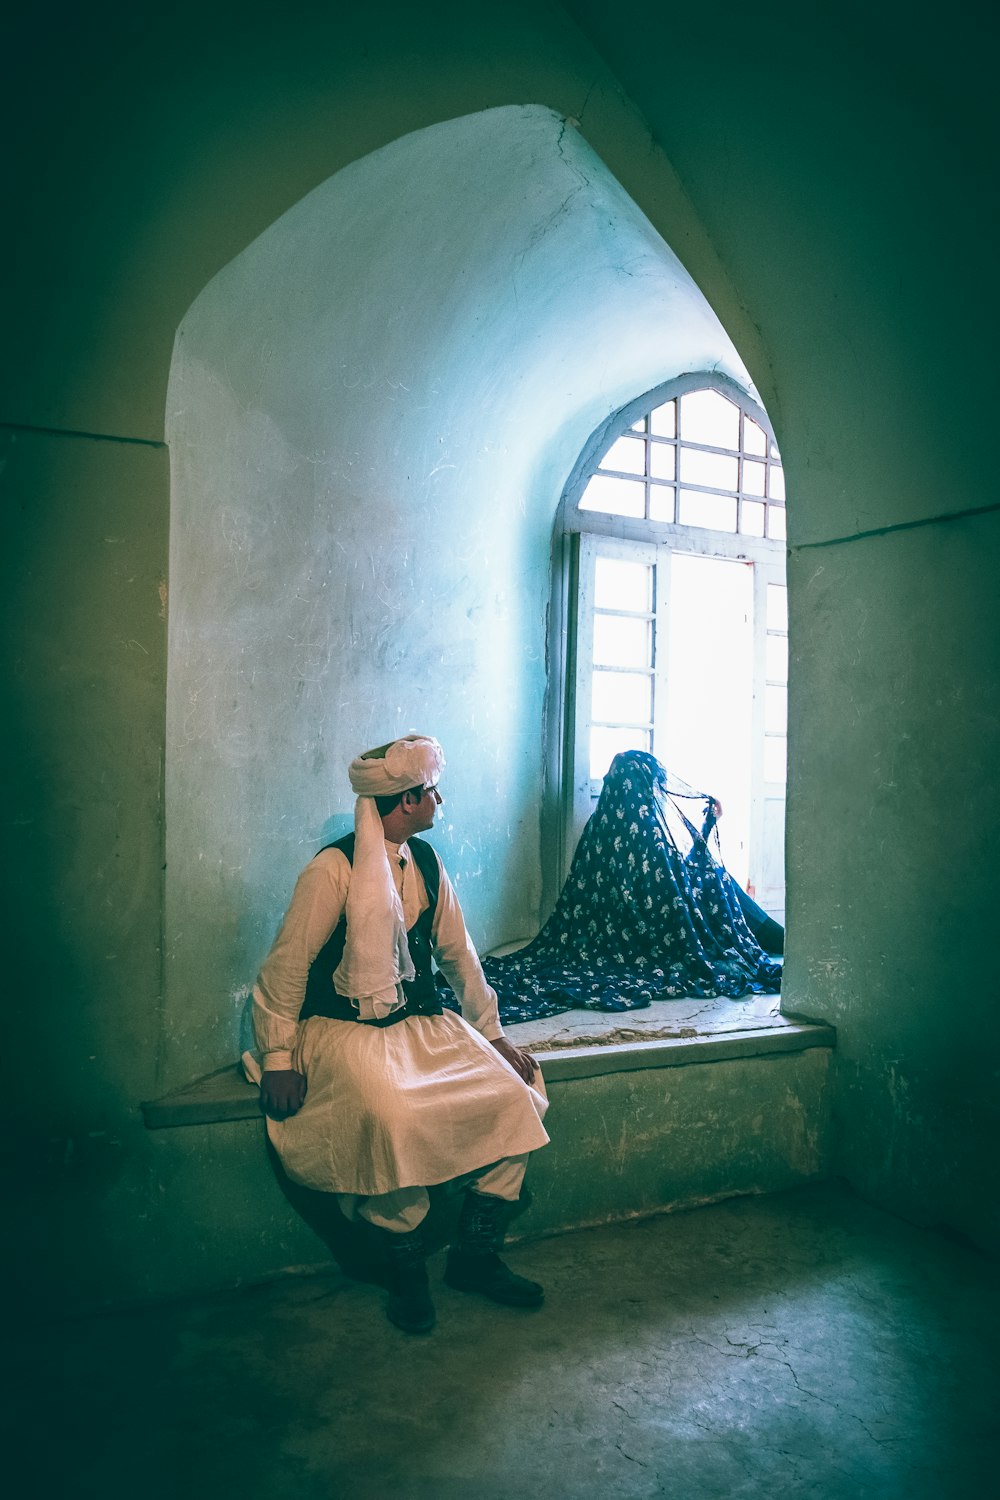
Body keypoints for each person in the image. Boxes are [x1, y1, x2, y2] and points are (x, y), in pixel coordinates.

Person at [245, 733, 550, 1334]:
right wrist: (278, 1056)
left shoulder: (428, 864)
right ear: (406, 801)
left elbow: (459, 955)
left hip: (420, 1026)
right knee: (391, 1118)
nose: (439, 800)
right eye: (431, 791)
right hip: (342, 1030)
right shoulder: (331, 871)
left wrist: (492, 1035)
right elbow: (285, 967)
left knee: (517, 1095)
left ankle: (475, 1258)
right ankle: (405, 1270)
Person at [444, 748, 782, 1026]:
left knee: (711, 875)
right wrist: (709, 827)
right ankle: (777, 937)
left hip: (611, 933)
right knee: (715, 876)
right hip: (653, 933)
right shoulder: (646, 828)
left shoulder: (600, 823)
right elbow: (680, 880)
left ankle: (776, 936)